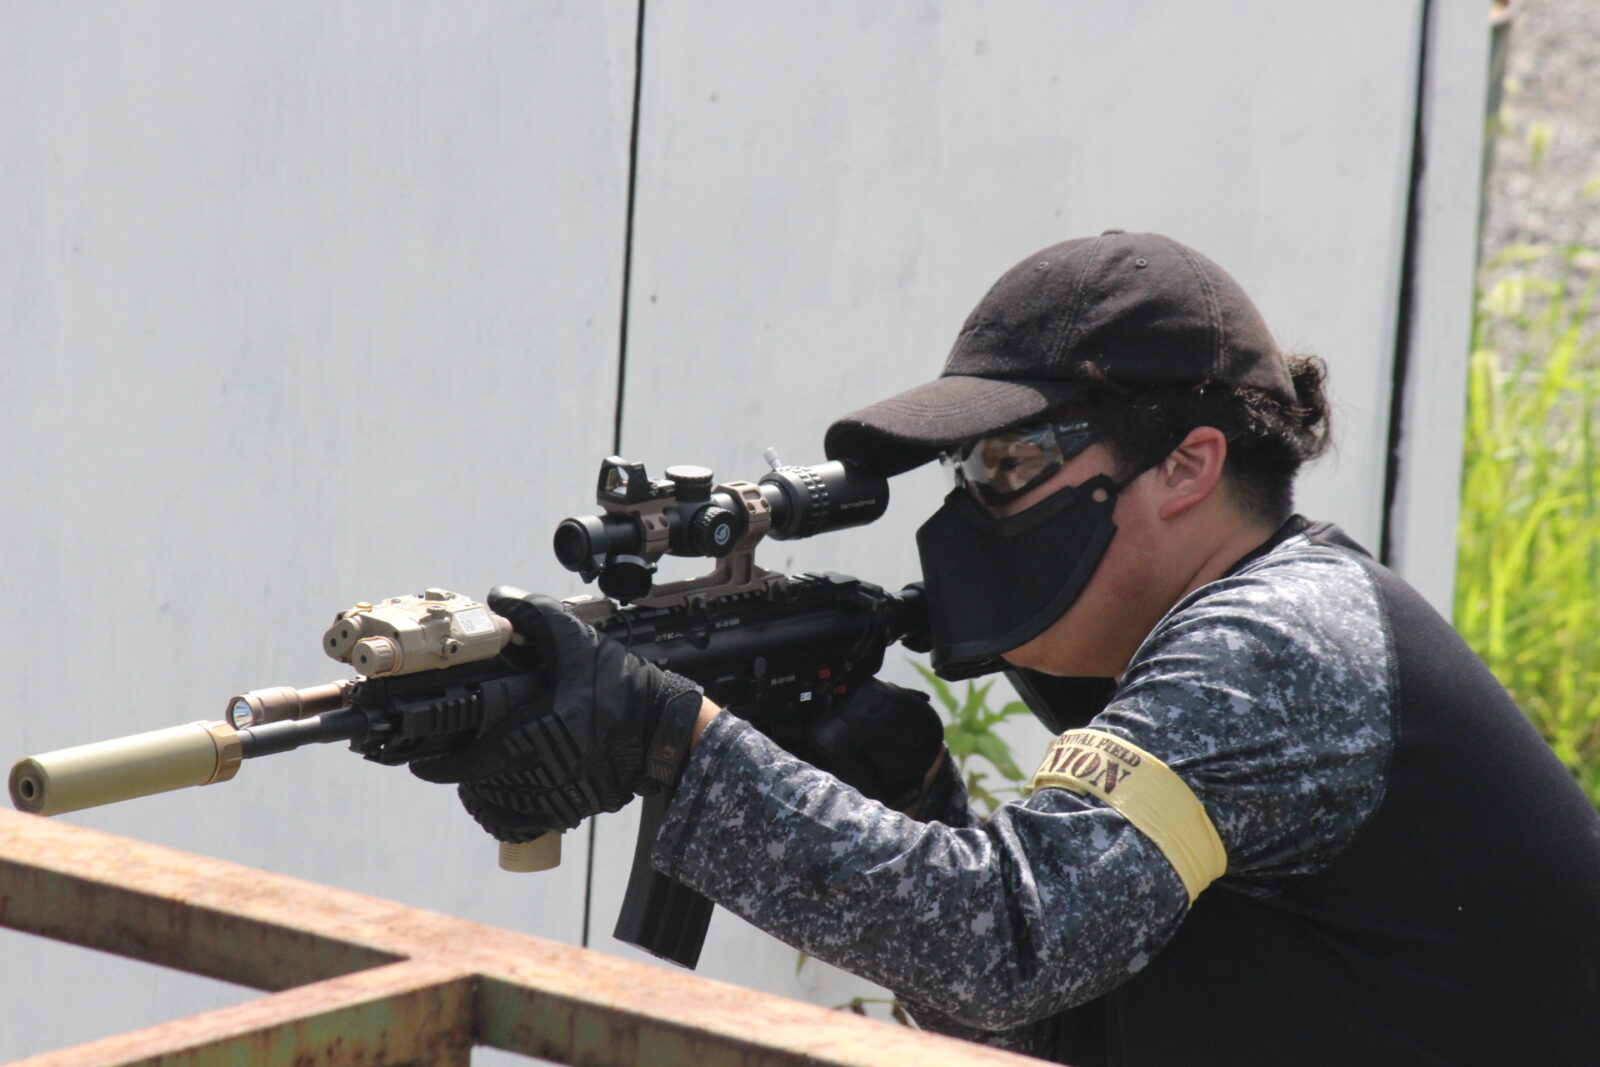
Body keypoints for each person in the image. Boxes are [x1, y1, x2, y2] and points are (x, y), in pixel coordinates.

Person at [413, 231, 1600, 1065]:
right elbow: (1046, 1021)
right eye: (967, 470)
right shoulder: (1239, 628)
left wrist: (671, 737)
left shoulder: (1273, 640)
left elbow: (1004, 945)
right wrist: (908, 801)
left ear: (1187, 464)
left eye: (1011, 465)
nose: (973, 512)